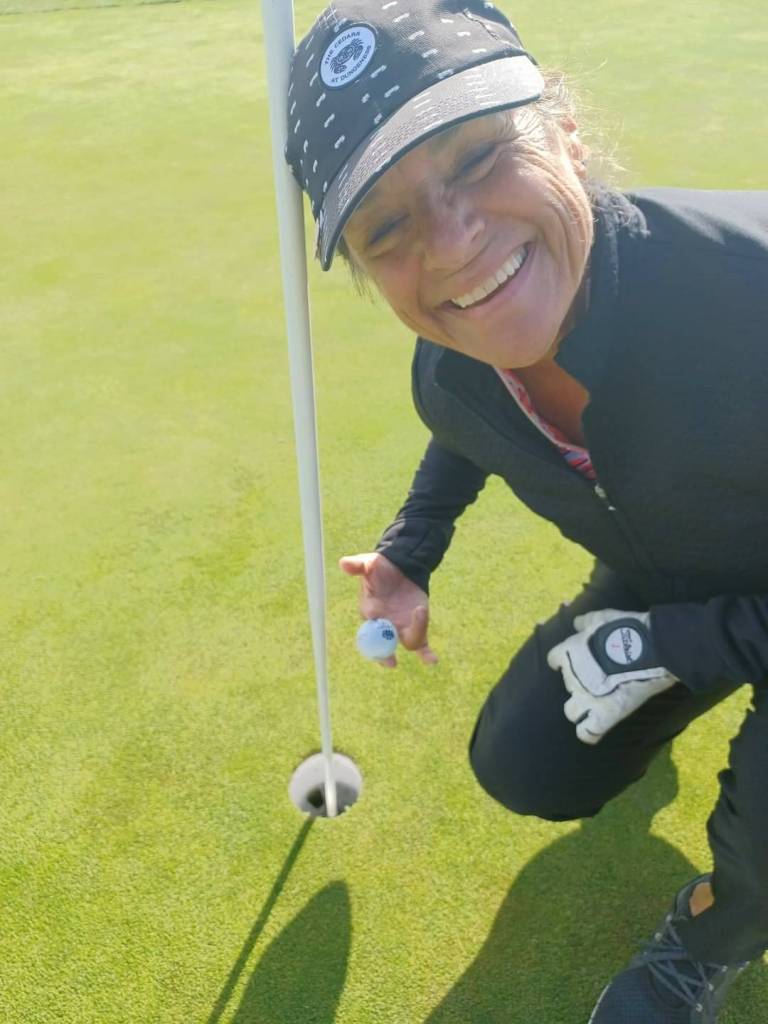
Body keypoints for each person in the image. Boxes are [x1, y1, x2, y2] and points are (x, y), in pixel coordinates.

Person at [284, 2, 768, 1020]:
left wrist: (670, 643)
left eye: (475, 157)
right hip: (669, 570)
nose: (452, 242)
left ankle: (714, 929)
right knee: (527, 765)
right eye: (386, 226)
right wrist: (412, 552)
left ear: (566, 132)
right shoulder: (450, 371)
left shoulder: (751, 292)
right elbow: (466, 424)